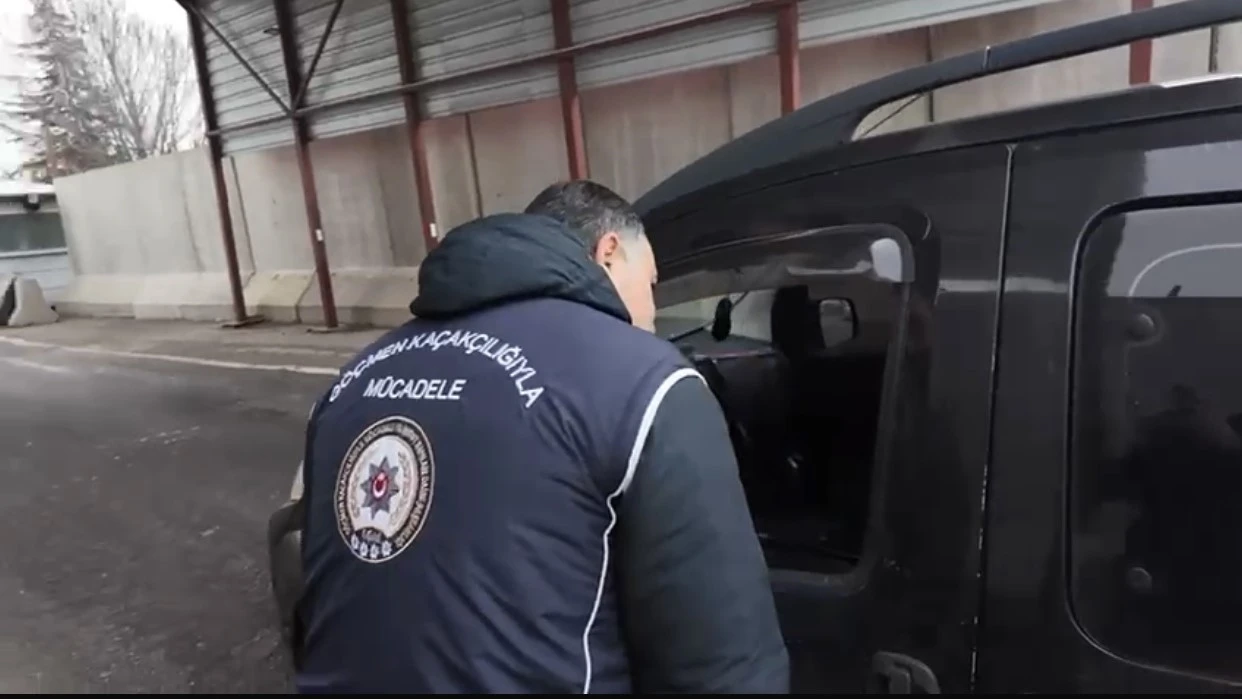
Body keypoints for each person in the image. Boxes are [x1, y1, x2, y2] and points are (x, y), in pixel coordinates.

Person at [294, 180, 789, 693]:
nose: (650, 312)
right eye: (651, 283)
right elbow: (721, 661)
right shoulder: (644, 380)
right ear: (610, 251)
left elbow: (327, 596)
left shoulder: (356, 379)